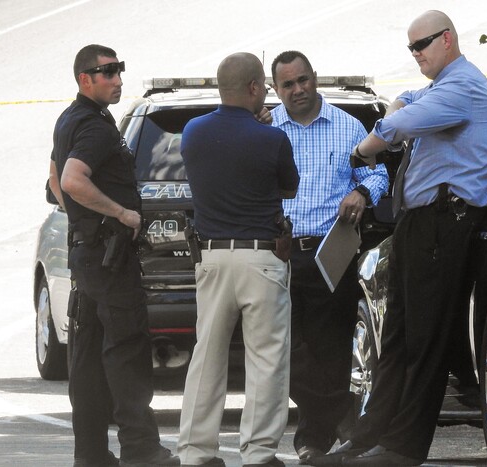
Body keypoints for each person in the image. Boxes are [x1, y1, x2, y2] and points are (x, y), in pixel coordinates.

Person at [316, 10, 487, 466]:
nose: (415, 54)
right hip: (420, 223)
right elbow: (403, 102)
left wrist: (361, 150)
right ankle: (368, 437)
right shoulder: (441, 85)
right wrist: (398, 109)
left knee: (424, 339)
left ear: (449, 39)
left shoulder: (465, 85)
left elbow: (395, 126)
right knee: (395, 337)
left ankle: (402, 448)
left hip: (445, 220)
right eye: (410, 48)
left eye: (422, 45)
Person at [49, 44, 179, 467]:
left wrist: (84, 222)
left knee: (86, 359)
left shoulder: (71, 119)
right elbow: (71, 178)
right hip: (109, 259)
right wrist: (119, 214)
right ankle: (140, 448)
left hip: (88, 256)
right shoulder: (95, 128)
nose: (117, 79)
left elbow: (53, 177)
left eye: (119, 71)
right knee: (125, 351)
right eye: (107, 73)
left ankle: (90, 454)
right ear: (85, 78)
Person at [176, 52, 299, 467]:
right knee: (265, 359)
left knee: (205, 355)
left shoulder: (192, 132)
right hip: (261, 260)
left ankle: (196, 452)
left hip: (211, 258)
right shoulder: (272, 138)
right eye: (263, 85)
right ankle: (259, 454)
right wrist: (261, 129)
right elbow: (289, 187)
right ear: (252, 88)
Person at [269, 50, 389, 463]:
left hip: (330, 252)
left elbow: (377, 172)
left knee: (330, 350)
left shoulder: (348, 126)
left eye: (303, 80)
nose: (298, 89)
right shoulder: (267, 130)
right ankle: (340, 414)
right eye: (288, 84)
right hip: (278, 254)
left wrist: (362, 192)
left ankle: (312, 443)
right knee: (282, 347)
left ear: (314, 77)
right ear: (276, 89)